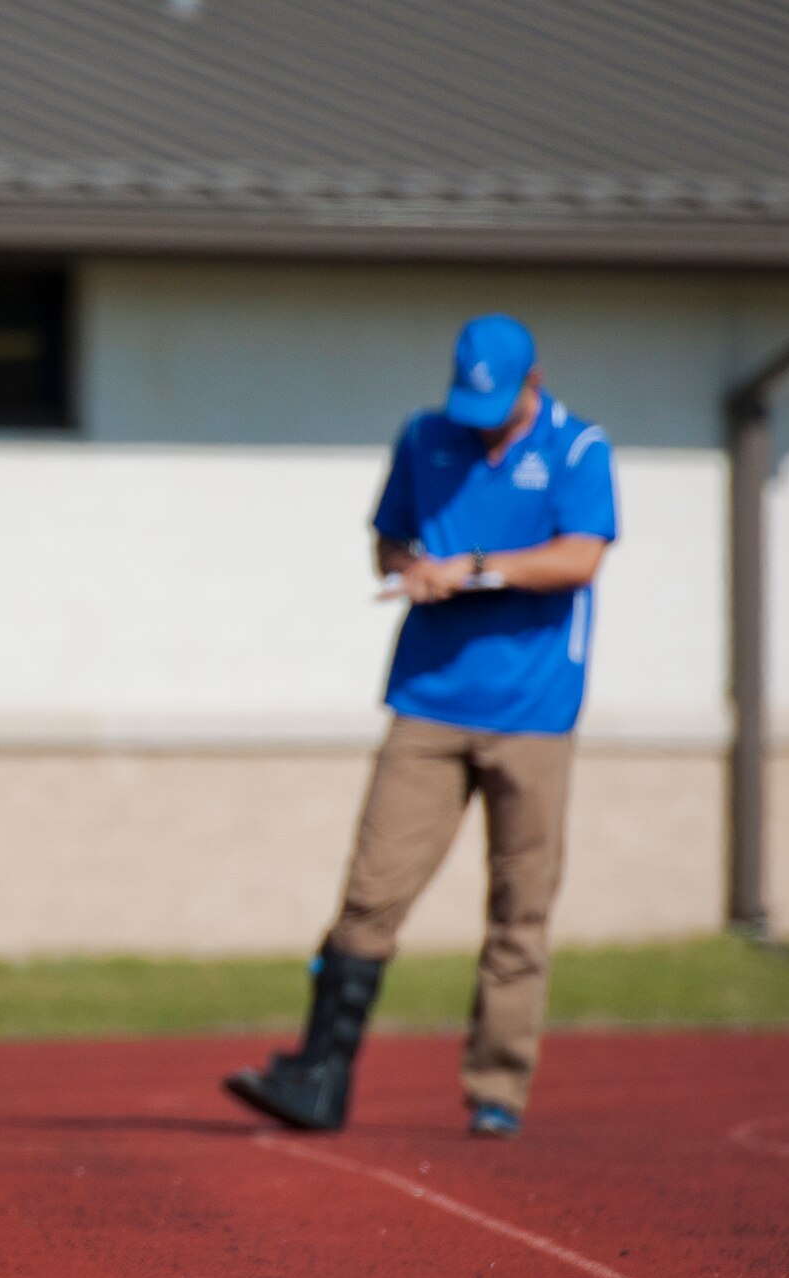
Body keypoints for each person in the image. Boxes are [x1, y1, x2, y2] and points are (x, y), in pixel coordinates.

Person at [225, 314, 617, 1140]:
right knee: (371, 892)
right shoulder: (423, 437)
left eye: (498, 406)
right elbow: (388, 542)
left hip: (535, 714)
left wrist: (475, 568)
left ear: (532, 385)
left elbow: (581, 556)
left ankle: (496, 1088)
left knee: (519, 904)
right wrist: (412, 571)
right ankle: (319, 1073)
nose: (478, 423)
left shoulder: (581, 450)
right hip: (428, 703)